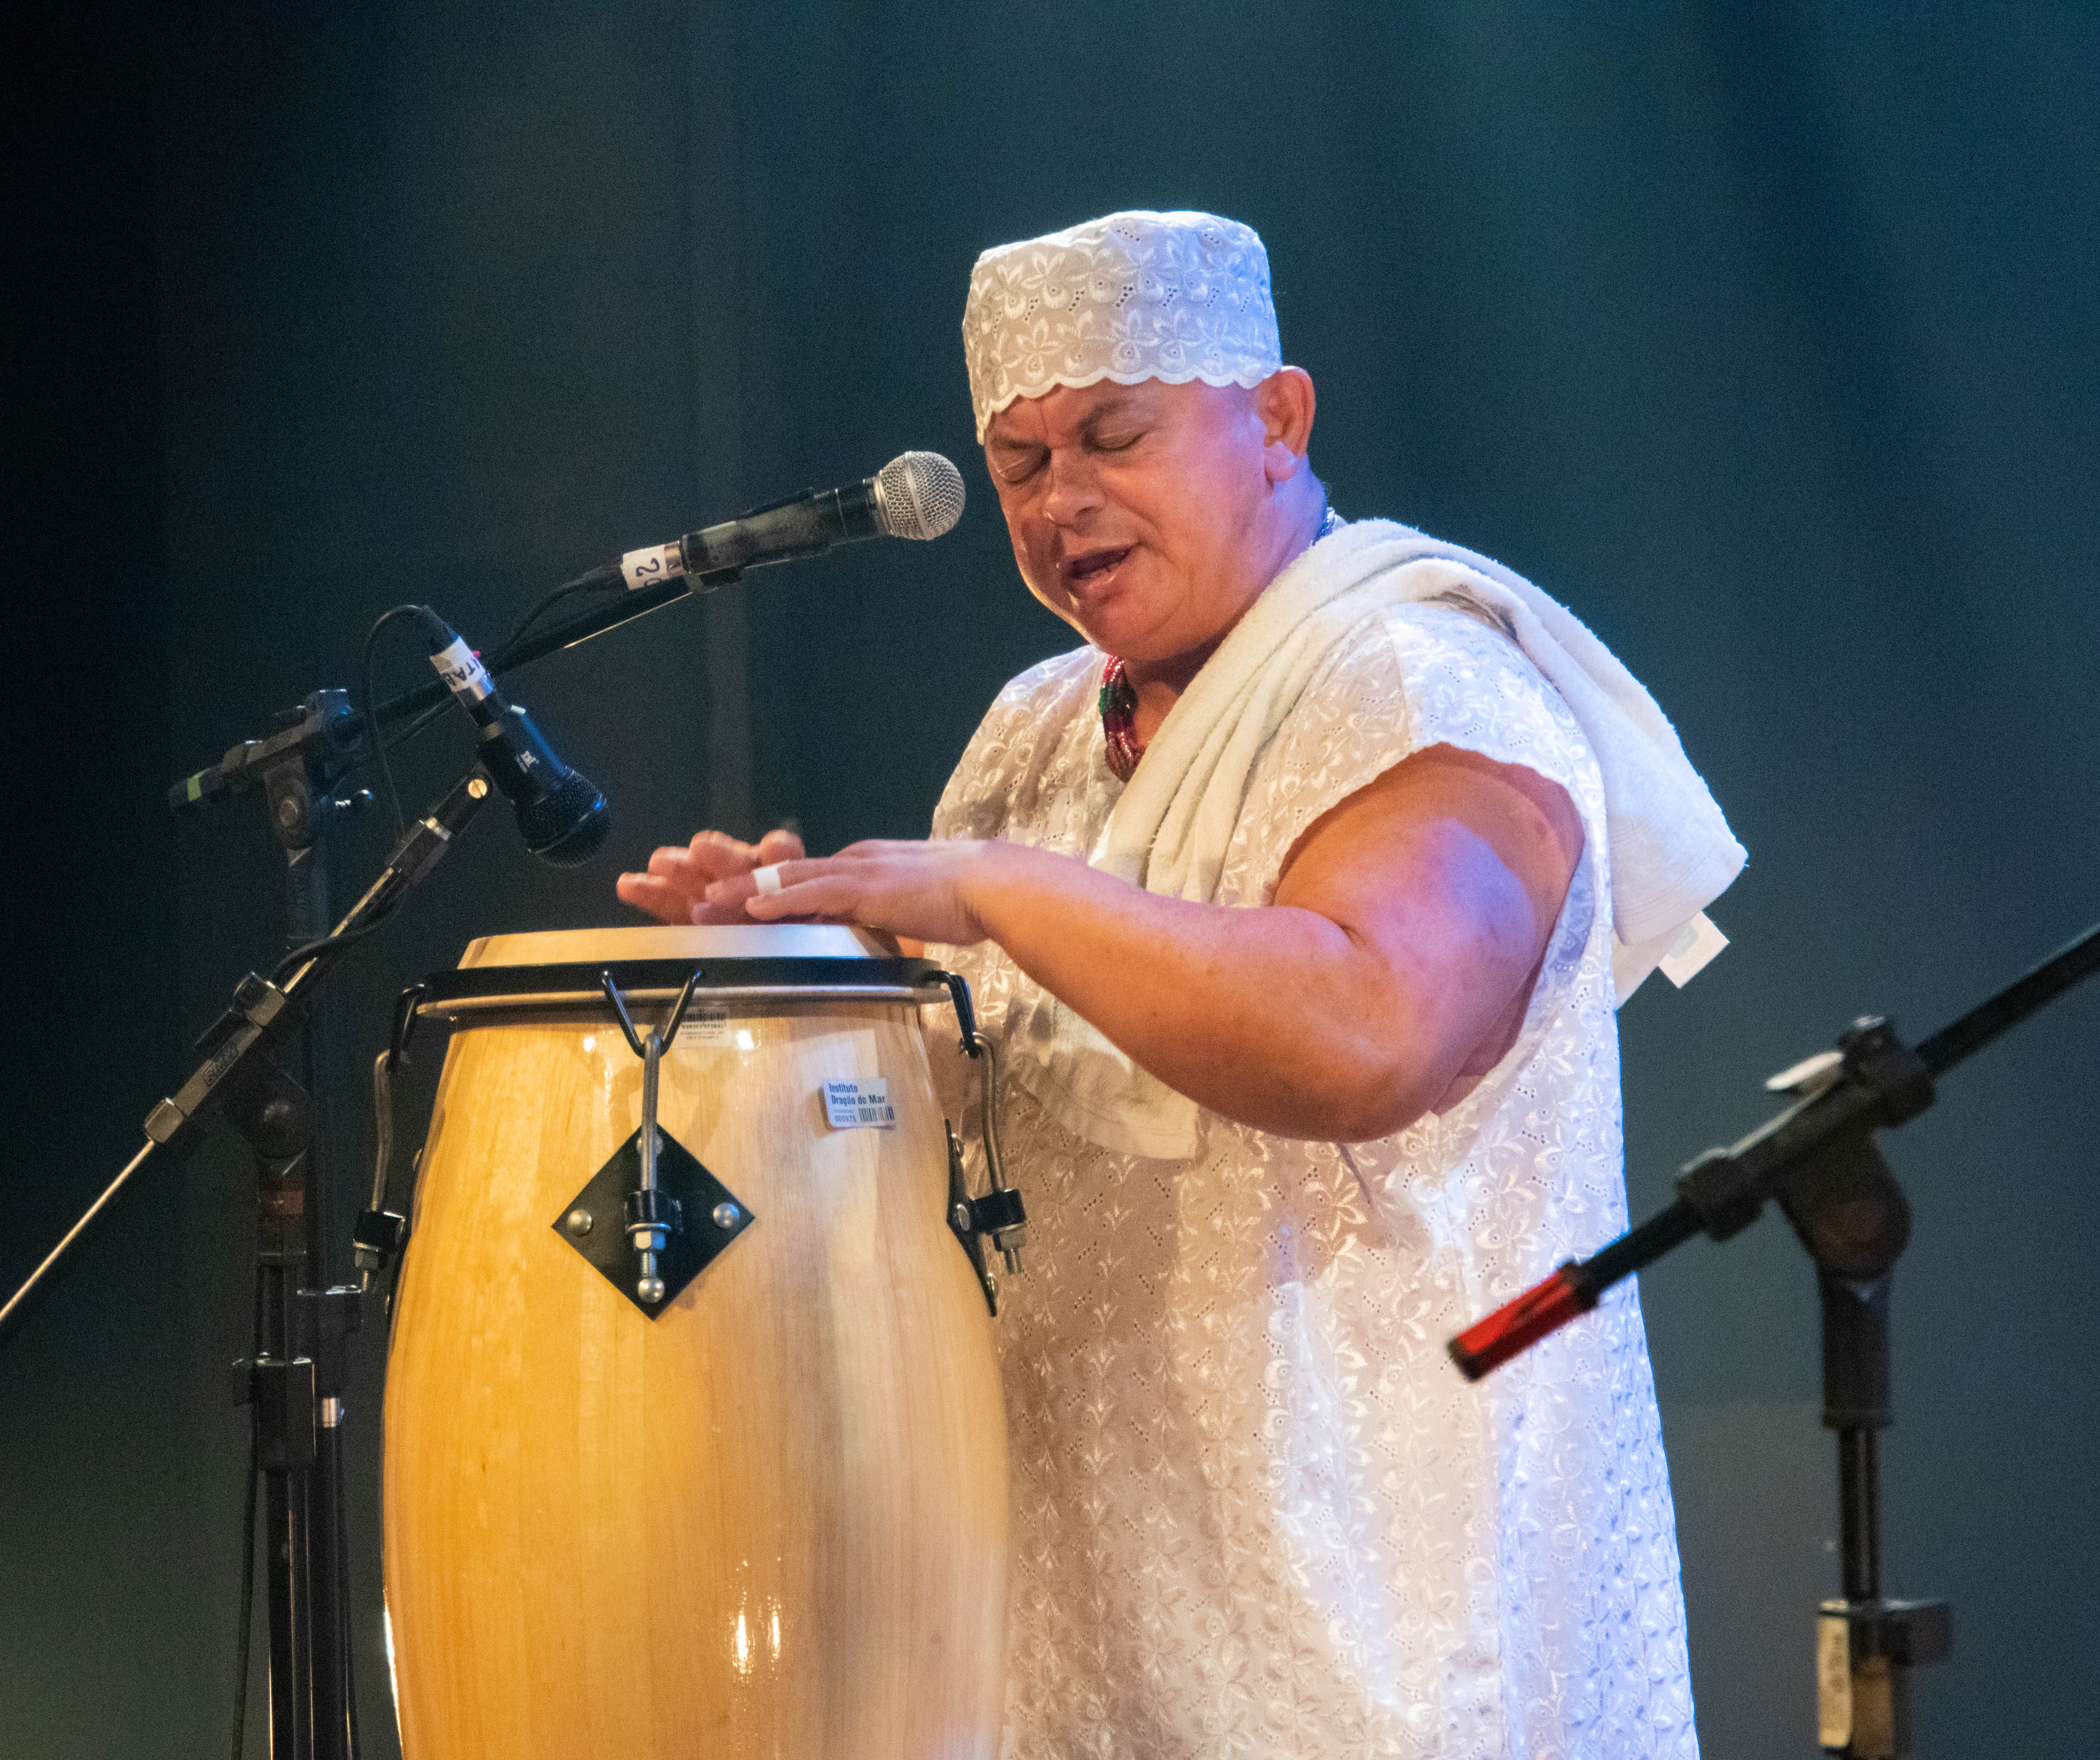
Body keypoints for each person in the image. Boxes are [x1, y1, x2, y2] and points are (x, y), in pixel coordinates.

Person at [619, 210, 1739, 1760]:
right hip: (1069, 1623)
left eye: (1114, 438)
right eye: (1021, 464)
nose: (1061, 502)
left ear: (1276, 421)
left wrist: (1000, 892)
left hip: (1378, 1628)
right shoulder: (1035, 728)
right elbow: (997, 1095)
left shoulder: (1423, 680)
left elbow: (1366, 1031)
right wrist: (808, 956)